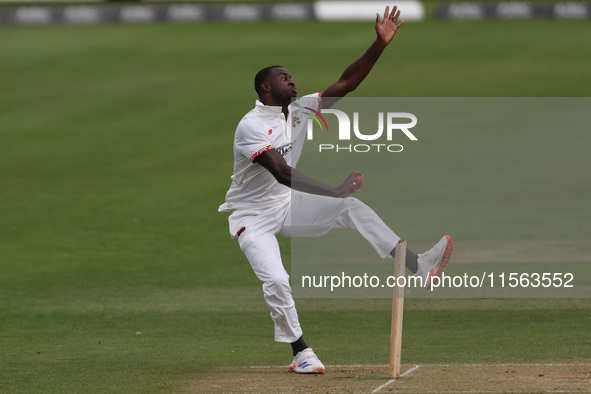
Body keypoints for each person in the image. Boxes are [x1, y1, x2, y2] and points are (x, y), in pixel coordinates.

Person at [218, 6, 453, 374]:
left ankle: (419, 266)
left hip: (287, 205)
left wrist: (379, 45)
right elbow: (282, 172)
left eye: (292, 78)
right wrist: (334, 189)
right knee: (277, 279)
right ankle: (300, 352)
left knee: (353, 210)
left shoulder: (299, 110)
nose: (292, 83)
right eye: (284, 78)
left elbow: (347, 83)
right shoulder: (250, 127)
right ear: (266, 87)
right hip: (253, 216)